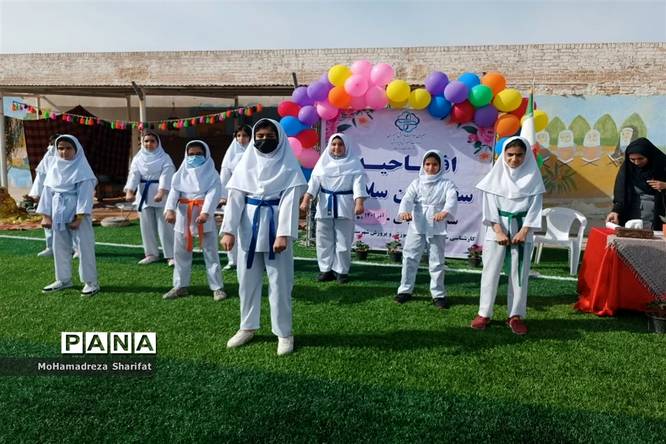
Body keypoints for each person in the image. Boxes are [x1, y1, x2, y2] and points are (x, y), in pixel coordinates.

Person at [220, 118, 306, 356]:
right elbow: (235, 198)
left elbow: (290, 202)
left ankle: (284, 332)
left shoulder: (288, 167)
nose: (264, 140)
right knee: (246, 281)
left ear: (279, 139)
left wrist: (283, 234)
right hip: (249, 229)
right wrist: (229, 230)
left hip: (275, 229)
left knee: (280, 283)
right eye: (260, 137)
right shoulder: (246, 165)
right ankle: (247, 326)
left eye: (269, 136)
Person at [471, 136, 545, 335]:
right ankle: (484, 313)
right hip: (497, 230)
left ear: (526, 156)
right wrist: (498, 231)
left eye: (519, 155)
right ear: (503, 154)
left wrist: (524, 231)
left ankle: (515, 315)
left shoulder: (534, 179)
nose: (514, 159)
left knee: (519, 275)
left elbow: (535, 209)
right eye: (510, 154)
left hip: (522, 231)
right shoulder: (494, 179)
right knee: (490, 272)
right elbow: (489, 208)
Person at [300, 133, 368, 283]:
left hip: (345, 205)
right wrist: (306, 200)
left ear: (346, 146)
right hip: (324, 205)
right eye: (334, 144)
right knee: (323, 239)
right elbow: (313, 184)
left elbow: (359, 186)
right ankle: (325, 269)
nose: (337, 147)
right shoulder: (322, 164)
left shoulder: (354, 164)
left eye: (340, 144)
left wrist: (359, 203)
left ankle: (341, 271)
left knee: (343, 240)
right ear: (329, 146)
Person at [163, 140, 226, 301]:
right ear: (186, 155)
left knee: (211, 253)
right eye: (191, 154)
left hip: (204, 217)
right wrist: (170, 209)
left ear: (206, 155)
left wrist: (206, 213)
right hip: (184, 215)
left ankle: (217, 287)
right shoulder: (180, 173)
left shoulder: (212, 174)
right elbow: (174, 192)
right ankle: (180, 286)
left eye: (199, 154)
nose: (195, 157)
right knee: (180, 253)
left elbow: (213, 194)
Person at [394, 150, 458, 308]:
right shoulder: (416, 183)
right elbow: (407, 198)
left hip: (437, 224)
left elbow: (452, 199)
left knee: (436, 261)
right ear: (423, 165)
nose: (431, 167)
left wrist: (445, 212)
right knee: (410, 257)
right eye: (427, 164)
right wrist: (404, 212)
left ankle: (438, 294)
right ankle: (405, 290)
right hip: (417, 224)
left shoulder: (447, 184)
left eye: (435, 164)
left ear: (441, 166)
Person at [37, 135, 100, 296]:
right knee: (59, 246)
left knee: (84, 246)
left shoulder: (82, 169)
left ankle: (90, 282)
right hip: (58, 211)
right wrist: (46, 215)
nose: (64, 152)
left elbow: (85, 195)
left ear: (76, 149)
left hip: (77, 213)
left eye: (68, 148)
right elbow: (47, 192)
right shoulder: (54, 168)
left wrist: (79, 217)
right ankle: (63, 279)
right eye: (60, 148)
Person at [124, 131, 176, 266]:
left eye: (152, 141)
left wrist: (161, 192)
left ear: (158, 143)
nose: (149, 144)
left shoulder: (165, 158)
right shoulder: (138, 158)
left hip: (161, 194)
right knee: (146, 226)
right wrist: (130, 191)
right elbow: (134, 174)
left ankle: (171, 255)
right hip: (144, 194)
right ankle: (151, 254)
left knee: (165, 226)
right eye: (146, 141)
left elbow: (167, 175)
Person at [606, 137, 666, 230]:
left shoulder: (663, 165)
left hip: (657, 216)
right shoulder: (628, 168)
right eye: (632, 159)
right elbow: (621, 191)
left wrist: (665, 186)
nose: (637, 162)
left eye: (640, 158)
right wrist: (616, 210)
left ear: (649, 155)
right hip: (632, 215)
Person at [219, 125, 252, 271]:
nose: (242, 138)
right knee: (231, 226)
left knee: (249, 227)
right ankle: (232, 260)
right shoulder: (231, 154)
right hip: (233, 194)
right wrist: (223, 196)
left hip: (251, 195)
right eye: (239, 135)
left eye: (245, 135)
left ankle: (250, 257)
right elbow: (225, 175)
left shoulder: (255, 152)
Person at [28, 134, 59, 257]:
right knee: (48, 221)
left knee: (67, 221)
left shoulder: (71, 158)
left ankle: (75, 248)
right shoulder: (49, 156)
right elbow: (41, 176)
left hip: (66, 196)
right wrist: (37, 194)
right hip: (49, 194)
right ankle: (51, 247)